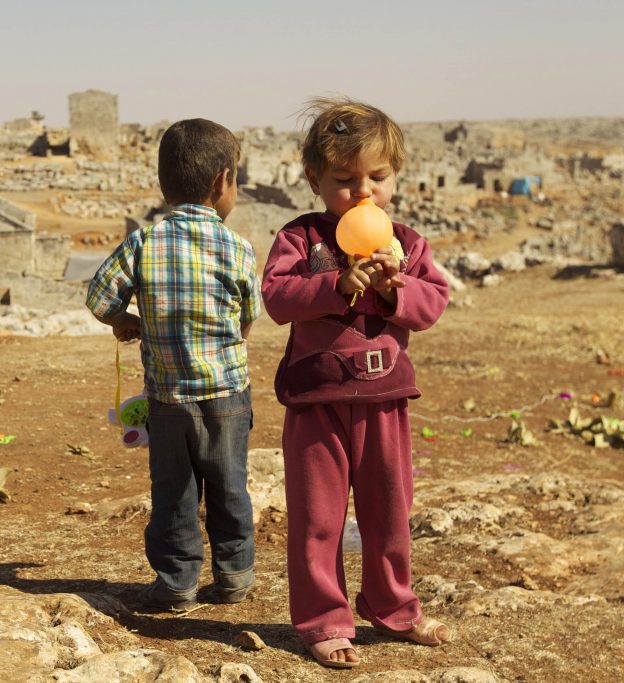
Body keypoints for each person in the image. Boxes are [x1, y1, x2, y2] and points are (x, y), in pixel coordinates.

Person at [260, 98, 451, 668]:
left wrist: (394, 290)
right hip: (315, 401)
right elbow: (277, 299)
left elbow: (432, 303)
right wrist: (337, 283)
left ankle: (394, 608)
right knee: (318, 518)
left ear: (395, 175)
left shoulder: (408, 243)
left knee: (389, 512)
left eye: (378, 178)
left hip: (384, 398)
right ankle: (323, 619)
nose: (363, 193)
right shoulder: (301, 239)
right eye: (345, 180)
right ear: (314, 178)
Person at [86, 118, 261, 612]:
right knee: (230, 486)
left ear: (165, 184)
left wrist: (127, 320)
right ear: (224, 181)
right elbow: (249, 317)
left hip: (167, 401)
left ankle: (178, 583)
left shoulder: (143, 243)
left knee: (174, 494)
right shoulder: (238, 247)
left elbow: (99, 298)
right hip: (227, 395)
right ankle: (235, 576)